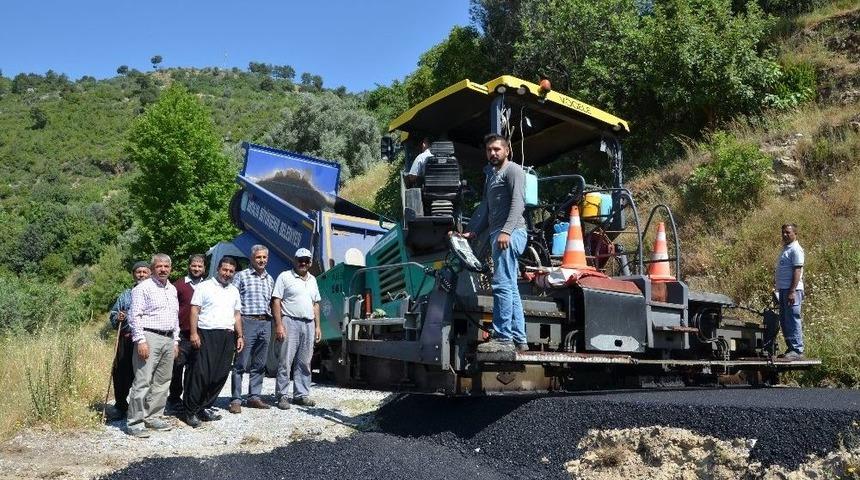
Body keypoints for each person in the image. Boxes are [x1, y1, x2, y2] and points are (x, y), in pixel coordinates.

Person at [459, 133, 528, 354]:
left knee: (501, 285)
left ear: (507, 150)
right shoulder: (492, 176)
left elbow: (519, 203)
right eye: (489, 150)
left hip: (511, 232)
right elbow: (488, 208)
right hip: (498, 233)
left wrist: (506, 232)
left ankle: (503, 338)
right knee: (511, 287)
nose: (493, 153)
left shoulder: (513, 170)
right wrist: (473, 233)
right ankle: (519, 338)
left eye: (497, 149)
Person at [181, 256, 244, 428]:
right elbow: (194, 311)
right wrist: (193, 333)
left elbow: (236, 314)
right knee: (201, 374)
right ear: (218, 269)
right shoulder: (204, 286)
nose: (227, 273)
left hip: (227, 335)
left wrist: (240, 335)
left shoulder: (234, 291)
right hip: (206, 333)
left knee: (220, 374)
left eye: (231, 271)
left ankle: (204, 407)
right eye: (225, 270)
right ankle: (190, 411)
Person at [126, 254, 180, 438]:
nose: (163, 269)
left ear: (170, 268)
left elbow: (175, 317)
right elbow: (135, 316)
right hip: (149, 336)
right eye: (159, 266)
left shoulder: (172, 289)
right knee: (143, 380)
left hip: (168, 338)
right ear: (153, 268)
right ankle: (135, 422)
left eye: (166, 266)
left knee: (163, 381)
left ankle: (153, 416)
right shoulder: (143, 288)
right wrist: (140, 340)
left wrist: (176, 340)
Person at [272, 247, 321, 409]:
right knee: (285, 360)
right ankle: (282, 395)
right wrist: (279, 324)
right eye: (300, 260)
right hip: (289, 321)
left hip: (309, 323)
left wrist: (318, 326)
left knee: (305, 362)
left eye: (306, 260)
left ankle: (301, 395)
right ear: (294, 260)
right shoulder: (284, 277)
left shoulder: (313, 279)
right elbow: (276, 301)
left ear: (310, 262)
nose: (303, 263)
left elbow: (316, 304)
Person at [230, 245, 275, 413]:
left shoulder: (270, 279)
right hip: (247, 321)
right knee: (240, 363)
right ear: (252, 258)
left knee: (260, 363)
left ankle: (254, 397)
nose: (262, 260)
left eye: (264, 257)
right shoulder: (241, 276)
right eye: (258, 257)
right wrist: (238, 328)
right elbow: (233, 303)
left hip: (265, 323)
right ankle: (236, 399)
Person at [106, 261, 150, 419]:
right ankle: (120, 405)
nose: (142, 275)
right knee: (121, 373)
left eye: (145, 272)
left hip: (146, 340)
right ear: (133, 274)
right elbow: (113, 315)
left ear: (150, 274)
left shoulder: (154, 293)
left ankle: (141, 408)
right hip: (127, 339)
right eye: (138, 272)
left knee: (143, 374)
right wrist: (118, 317)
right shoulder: (125, 294)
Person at [166, 254, 206, 415]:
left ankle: (192, 400)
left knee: (196, 369)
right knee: (177, 367)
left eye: (200, 266)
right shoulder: (179, 286)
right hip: (182, 333)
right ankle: (174, 398)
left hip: (202, 334)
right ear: (189, 266)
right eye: (194, 266)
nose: (196, 269)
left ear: (204, 268)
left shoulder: (208, 286)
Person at [775, 223, 805, 360]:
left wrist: (792, 291)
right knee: (785, 320)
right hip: (783, 289)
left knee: (793, 319)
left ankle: (797, 350)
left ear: (795, 233)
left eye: (788, 232)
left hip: (792, 290)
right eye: (783, 232)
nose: (785, 235)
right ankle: (790, 348)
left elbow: (797, 270)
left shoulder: (796, 249)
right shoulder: (786, 248)